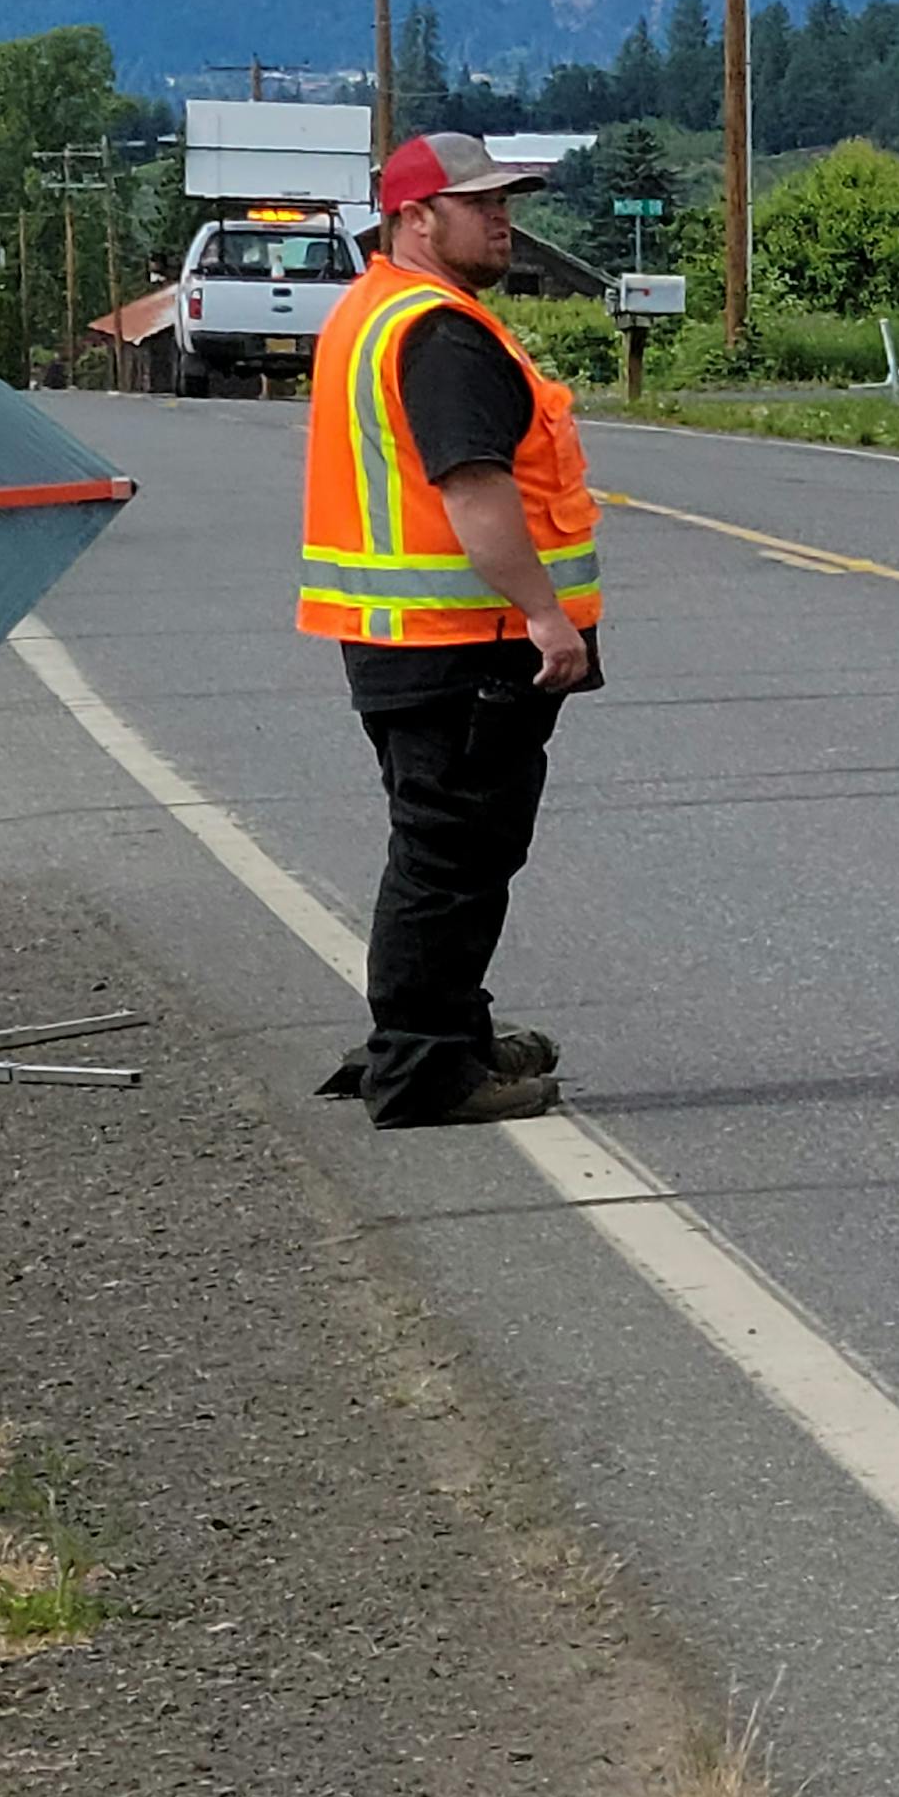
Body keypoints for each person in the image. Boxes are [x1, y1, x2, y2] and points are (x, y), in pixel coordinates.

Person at [294, 133, 598, 1127]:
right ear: (414, 218)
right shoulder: (438, 331)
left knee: (446, 850)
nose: (503, 220)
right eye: (479, 205)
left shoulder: (374, 312)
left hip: (409, 641)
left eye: (507, 202)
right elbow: (473, 487)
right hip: (460, 643)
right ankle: (423, 1066)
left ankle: (443, 1033)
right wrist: (546, 615)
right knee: (452, 855)